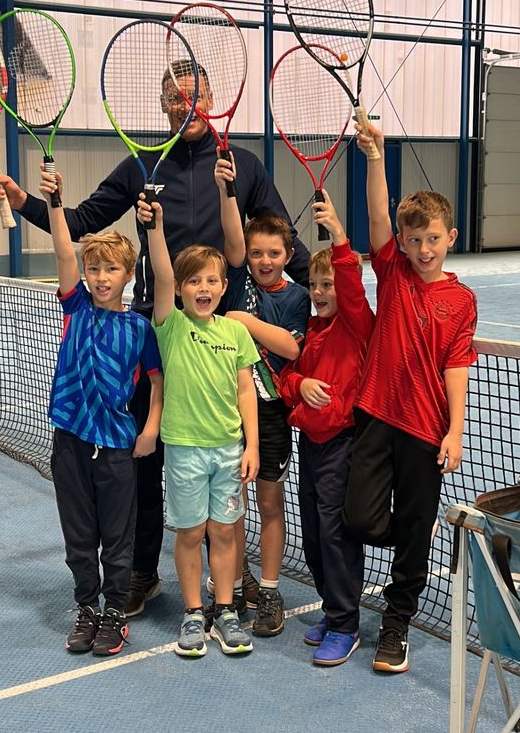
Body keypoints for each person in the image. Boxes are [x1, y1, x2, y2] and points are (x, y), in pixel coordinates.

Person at [0, 65, 308, 617]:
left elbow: (283, 243)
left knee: (223, 458)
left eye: (195, 95)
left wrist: (337, 303)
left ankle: (234, 577)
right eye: (175, 98)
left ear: (213, 98)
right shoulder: (142, 165)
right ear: (163, 106)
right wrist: (21, 201)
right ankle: (140, 572)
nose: (186, 106)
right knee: (145, 457)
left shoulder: (244, 167)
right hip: (155, 336)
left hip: (220, 342)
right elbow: (83, 219)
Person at [343, 123, 478, 675]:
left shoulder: (461, 300)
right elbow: (377, 215)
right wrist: (376, 157)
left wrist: (455, 430)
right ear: (403, 242)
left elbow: (456, 365)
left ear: (450, 236)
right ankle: (417, 541)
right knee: (360, 519)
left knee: (415, 528)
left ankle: (396, 622)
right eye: (414, 239)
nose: (423, 248)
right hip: (376, 414)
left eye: (433, 238)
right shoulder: (393, 273)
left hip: (426, 430)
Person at [38, 165, 163, 657]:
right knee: (78, 534)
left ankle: (115, 611)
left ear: (128, 275)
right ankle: (86, 607)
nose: (101, 277)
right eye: (94, 269)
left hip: (116, 446)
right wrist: (54, 202)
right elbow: (64, 250)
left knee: (117, 536)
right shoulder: (76, 308)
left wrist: (150, 428)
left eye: (111, 269)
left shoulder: (139, 329)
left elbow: (157, 382)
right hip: (69, 439)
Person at [137, 193, 260, 657]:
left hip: (228, 449)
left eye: (211, 281)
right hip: (186, 449)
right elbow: (162, 273)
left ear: (223, 287)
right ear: (182, 290)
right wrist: (156, 226)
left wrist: (251, 446)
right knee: (191, 533)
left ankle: (225, 608)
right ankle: (193, 612)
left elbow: (245, 391)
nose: (202, 288)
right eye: (194, 282)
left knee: (225, 531)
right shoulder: (169, 325)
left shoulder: (235, 332)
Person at [215, 157, 310, 638]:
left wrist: (247, 322)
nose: (264, 260)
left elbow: (291, 346)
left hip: (271, 416)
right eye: (257, 253)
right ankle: (233, 586)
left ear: (288, 253)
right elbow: (232, 233)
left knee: (270, 504)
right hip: (226, 415)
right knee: (231, 507)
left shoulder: (296, 298)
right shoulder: (236, 279)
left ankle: (270, 590)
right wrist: (228, 191)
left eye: (274, 252)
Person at [279, 190, 374, 666]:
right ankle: (332, 607)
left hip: (342, 445)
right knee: (314, 534)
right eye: (315, 284)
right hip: (309, 444)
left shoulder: (358, 325)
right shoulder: (311, 331)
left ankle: (345, 622)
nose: (320, 292)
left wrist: (338, 237)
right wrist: (302, 385)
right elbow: (286, 380)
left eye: (328, 284)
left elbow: (353, 287)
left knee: (336, 534)